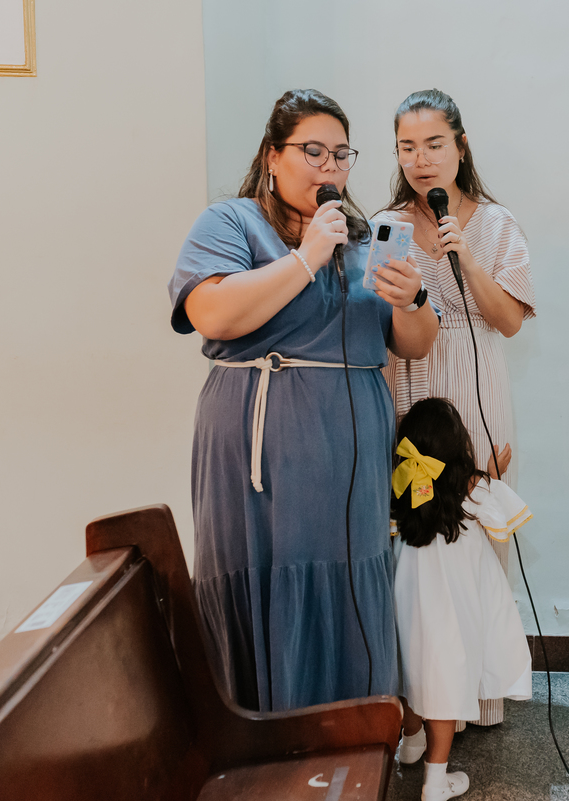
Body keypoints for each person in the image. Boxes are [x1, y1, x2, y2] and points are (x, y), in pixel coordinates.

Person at [167, 89, 438, 711]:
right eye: (312, 151)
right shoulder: (231, 222)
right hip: (259, 439)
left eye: (341, 154)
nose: (329, 167)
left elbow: (414, 345)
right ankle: (257, 737)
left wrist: (414, 300)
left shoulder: (369, 238)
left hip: (350, 442)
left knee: (350, 573)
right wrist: (307, 255)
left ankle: (348, 739)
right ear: (272, 156)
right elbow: (213, 312)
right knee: (264, 570)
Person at [373, 89, 537, 726]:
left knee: (470, 535)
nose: (421, 159)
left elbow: (510, 322)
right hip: (406, 378)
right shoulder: (385, 224)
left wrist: (461, 251)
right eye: (407, 147)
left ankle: (473, 697)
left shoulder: (496, 224)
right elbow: (376, 310)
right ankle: (416, 702)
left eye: (434, 144)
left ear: (460, 145)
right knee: (409, 542)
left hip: (473, 387)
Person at [390, 398, 533, 801]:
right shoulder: (471, 489)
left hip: (408, 606)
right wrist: (491, 476)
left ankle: (411, 742)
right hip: (453, 609)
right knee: (444, 683)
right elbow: (503, 520)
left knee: (410, 671)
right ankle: (436, 782)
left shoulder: (399, 488)